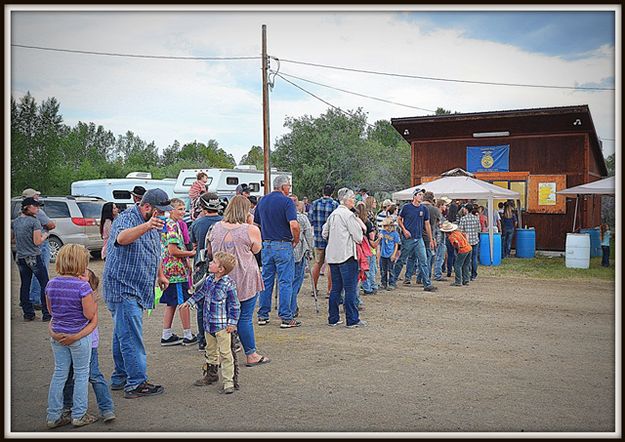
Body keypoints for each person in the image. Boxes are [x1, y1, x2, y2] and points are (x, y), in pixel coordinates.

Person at [102, 188, 171, 399]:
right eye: (160, 211)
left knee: (122, 333)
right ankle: (136, 383)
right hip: (123, 287)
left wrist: (160, 274)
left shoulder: (155, 223)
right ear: (147, 206)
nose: (163, 215)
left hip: (138, 285)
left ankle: (120, 376)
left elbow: (156, 249)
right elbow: (121, 238)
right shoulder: (126, 218)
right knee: (131, 336)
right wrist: (147, 225)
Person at [208, 195, 269, 367]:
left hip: (222, 276)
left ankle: (221, 353)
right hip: (244, 276)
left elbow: (211, 252)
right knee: (244, 318)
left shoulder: (216, 227)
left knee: (221, 317)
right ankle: (251, 354)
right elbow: (256, 249)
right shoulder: (250, 229)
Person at [45, 244, 98, 428]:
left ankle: (53, 415)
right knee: (81, 374)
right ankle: (79, 414)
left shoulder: (51, 284)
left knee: (59, 373)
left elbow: (51, 311)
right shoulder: (83, 287)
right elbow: (90, 315)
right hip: (79, 336)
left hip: (58, 336)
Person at [56, 269, 115, 426]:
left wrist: (73, 337)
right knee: (68, 376)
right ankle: (67, 407)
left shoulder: (90, 300)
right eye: (77, 274)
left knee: (94, 376)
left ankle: (106, 407)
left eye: (82, 275)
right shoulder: (74, 296)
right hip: (72, 343)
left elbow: (91, 323)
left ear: (91, 285)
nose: (78, 277)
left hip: (88, 345)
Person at [181, 251, 240, 394]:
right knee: (210, 351)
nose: (210, 263)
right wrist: (190, 301)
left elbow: (235, 305)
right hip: (209, 325)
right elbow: (201, 293)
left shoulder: (228, 285)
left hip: (222, 327)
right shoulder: (208, 279)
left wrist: (232, 323)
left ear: (221, 269)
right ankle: (211, 374)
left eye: (213, 262)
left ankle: (229, 381)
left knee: (226, 354)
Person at [254, 175, 301, 329]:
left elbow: (256, 224)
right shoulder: (287, 202)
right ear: (283, 187)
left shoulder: (262, 201)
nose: (289, 189)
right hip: (283, 244)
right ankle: (286, 317)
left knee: (266, 280)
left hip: (267, 244)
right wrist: (296, 239)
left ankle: (263, 314)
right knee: (285, 281)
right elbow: (294, 224)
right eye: (288, 186)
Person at [322, 188, 366, 328]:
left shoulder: (333, 214)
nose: (354, 200)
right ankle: (352, 319)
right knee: (350, 289)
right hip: (346, 255)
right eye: (352, 198)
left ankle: (333, 318)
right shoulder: (348, 215)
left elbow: (324, 233)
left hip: (333, 256)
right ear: (345, 200)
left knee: (336, 288)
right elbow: (358, 237)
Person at [159, 198, 197, 347]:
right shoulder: (172, 226)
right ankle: (188, 334)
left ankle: (166, 334)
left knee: (171, 303)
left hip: (168, 269)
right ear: (171, 210)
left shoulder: (168, 224)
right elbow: (173, 250)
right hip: (176, 271)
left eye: (183, 209)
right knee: (183, 302)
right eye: (179, 209)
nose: (183, 212)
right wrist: (190, 253)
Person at [189, 192, 223, 351]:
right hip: (221, 267)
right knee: (222, 303)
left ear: (202, 206)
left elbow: (193, 245)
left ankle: (202, 339)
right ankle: (222, 338)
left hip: (201, 268)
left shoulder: (196, 224)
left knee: (201, 303)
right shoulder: (224, 222)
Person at [11, 197, 52, 321]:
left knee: (25, 284)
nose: (38, 209)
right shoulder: (34, 222)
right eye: (35, 206)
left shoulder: (16, 222)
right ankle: (46, 313)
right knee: (44, 283)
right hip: (33, 256)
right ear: (27, 207)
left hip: (20, 256)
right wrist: (45, 235)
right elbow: (37, 241)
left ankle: (28, 313)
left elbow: (12, 238)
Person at [393, 188, 438, 292]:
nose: (421, 197)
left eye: (422, 195)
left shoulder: (424, 209)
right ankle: (392, 280)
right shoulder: (406, 207)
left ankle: (427, 284)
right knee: (402, 259)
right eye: (419, 195)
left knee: (424, 261)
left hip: (419, 238)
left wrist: (431, 239)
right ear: (414, 196)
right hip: (408, 238)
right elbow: (399, 219)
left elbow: (427, 224)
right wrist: (404, 229)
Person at [22, 188, 56, 310]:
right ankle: (37, 300)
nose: (38, 198)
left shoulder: (19, 215)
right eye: (36, 196)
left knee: (26, 278)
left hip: (24, 249)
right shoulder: (38, 213)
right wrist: (45, 234)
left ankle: (27, 302)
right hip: (39, 245)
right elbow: (51, 225)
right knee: (42, 274)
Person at [310, 184, 339, 298]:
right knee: (330, 265)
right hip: (331, 239)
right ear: (332, 192)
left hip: (318, 238)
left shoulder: (315, 203)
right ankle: (329, 290)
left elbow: (311, 219)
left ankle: (314, 288)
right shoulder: (335, 205)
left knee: (317, 263)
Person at [290, 198, 314, 318]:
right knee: (296, 281)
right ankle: (292, 307)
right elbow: (309, 234)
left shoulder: (281, 216)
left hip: (285, 251)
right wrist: (311, 249)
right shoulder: (302, 218)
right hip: (298, 251)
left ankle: (287, 306)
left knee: (285, 281)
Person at [355, 202, 379, 295]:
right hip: (367, 248)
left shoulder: (355, 221)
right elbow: (372, 237)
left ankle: (366, 287)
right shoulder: (368, 222)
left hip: (357, 248)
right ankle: (369, 287)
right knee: (369, 269)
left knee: (360, 269)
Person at [421, 191, 445, 282]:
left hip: (418, 235)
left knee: (418, 257)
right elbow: (440, 223)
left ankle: (418, 276)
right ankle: (426, 276)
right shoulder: (434, 210)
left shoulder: (418, 207)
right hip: (430, 235)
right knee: (429, 256)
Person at [440, 221, 472, 287]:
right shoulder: (457, 232)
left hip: (463, 250)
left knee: (457, 265)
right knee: (465, 265)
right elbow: (465, 235)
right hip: (469, 248)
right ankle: (466, 280)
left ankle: (458, 281)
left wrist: (458, 248)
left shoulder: (451, 237)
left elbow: (456, 242)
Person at [458, 204, 481, 281]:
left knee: (467, 260)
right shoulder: (476, 218)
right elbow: (479, 229)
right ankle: (474, 274)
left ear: (466, 210)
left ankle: (466, 274)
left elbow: (460, 230)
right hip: (475, 240)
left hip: (466, 242)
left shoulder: (463, 219)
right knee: (474, 258)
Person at [379, 217, 400, 290]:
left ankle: (392, 283)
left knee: (391, 270)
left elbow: (396, 244)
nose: (385, 227)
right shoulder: (382, 232)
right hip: (383, 254)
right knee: (383, 270)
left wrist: (394, 254)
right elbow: (379, 242)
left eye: (386, 226)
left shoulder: (395, 234)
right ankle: (383, 283)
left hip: (390, 253)